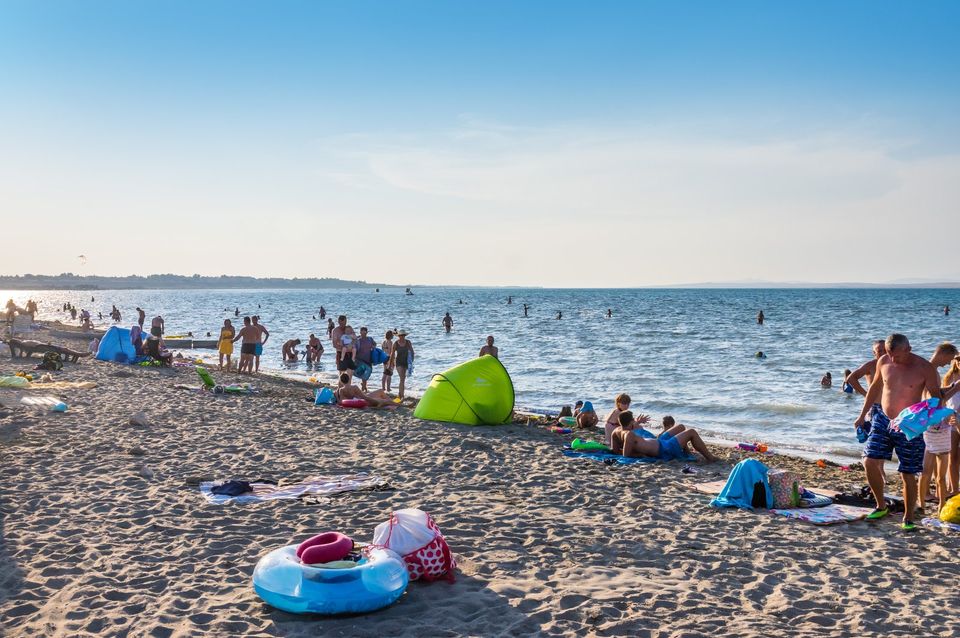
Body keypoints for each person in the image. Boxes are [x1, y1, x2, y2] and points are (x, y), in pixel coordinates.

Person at [855, 333, 942, 530]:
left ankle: (908, 517)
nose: (893, 360)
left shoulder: (924, 368)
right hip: (882, 419)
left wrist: (935, 418)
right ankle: (881, 505)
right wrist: (862, 415)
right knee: (869, 460)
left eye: (898, 356)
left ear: (908, 349)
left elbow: (935, 396)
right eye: (889, 354)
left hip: (909, 424)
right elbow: (875, 387)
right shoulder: (884, 361)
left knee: (907, 472)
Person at [611, 411, 718, 462]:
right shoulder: (629, 434)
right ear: (630, 422)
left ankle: (687, 453)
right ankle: (710, 458)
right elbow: (626, 456)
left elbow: (615, 451)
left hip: (659, 441)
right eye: (633, 420)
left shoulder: (616, 431)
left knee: (681, 427)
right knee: (691, 432)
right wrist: (641, 454)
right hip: (664, 449)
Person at [390, 329, 414, 400]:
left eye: (403, 335)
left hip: (406, 362)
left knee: (403, 379)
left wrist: (411, 362)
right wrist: (389, 365)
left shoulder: (408, 342)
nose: (402, 337)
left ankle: (400, 394)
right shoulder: (396, 343)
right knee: (402, 378)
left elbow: (412, 352)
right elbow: (392, 354)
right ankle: (401, 395)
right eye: (401, 335)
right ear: (398, 336)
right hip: (399, 362)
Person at [355, 327, 377, 391]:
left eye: (365, 332)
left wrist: (374, 347)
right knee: (363, 373)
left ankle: (363, 385)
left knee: (367, 373)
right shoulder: (358, 340)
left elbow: (374, 344)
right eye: (362, 332)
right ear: (360, 332)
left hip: (368, 359)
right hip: (360, 359)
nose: (363, 333)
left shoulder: (370, 339)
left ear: (366, 332)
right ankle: (364, 387)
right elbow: (354, 349)